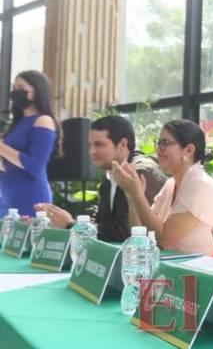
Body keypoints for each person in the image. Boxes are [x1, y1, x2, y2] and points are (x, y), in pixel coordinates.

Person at [35, 115, 166, 242]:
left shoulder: (139, 173)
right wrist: (58, 222)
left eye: (99, 144)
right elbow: (102, 225)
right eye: (90, 145)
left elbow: (124, 232)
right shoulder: (110, 177)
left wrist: (71, 224)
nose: (91, 151)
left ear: (122, 144)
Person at [112, 119, 213, 255]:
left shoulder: (201, 185)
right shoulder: (171, 183)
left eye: (165, 143)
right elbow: (142, 234)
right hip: (178, 269)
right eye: (158, 143)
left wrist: (138, 196)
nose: (158, 149)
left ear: (189, 150)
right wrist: (131, 197)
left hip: (204, 272)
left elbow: (165, 239)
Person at [0, 71, 59, 217]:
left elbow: (34, 166)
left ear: (37, 91)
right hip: (7, 195)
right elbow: (7, 164)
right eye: (14, 87)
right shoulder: (16, 125)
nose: (15, 91)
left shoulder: (44, 121)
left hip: (31, 197)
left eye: (20, 87)